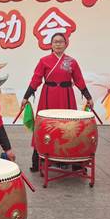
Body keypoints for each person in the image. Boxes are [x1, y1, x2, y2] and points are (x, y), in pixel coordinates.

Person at [20, 33, 93, 172]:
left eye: (61, 42)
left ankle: (76, 163)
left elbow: (79, 80)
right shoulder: (44, 61)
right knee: (45, 127)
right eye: (55, 42)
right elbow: (36, 80)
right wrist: (26, 97)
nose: (58, 44)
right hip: (49, 96)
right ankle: (38, 162)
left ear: (66, 44)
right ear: (51, 45)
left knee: (70, 127)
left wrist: (88, 97)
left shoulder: (72, 62)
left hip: (66, 96)